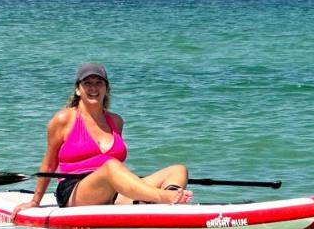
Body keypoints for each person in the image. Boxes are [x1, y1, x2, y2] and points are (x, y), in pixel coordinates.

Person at [12, 62, 192, 218]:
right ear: (78, 89)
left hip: (112, 191)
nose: (93, 88)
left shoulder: (116, 121)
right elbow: (49, 164)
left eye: (99, 83)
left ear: (106, 89)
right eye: (87, 83)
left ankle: (172, 205)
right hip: (75, 191)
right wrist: (35, 201)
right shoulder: (63, 119)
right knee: (111, 166)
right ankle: (164, 198)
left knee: (178, 170)